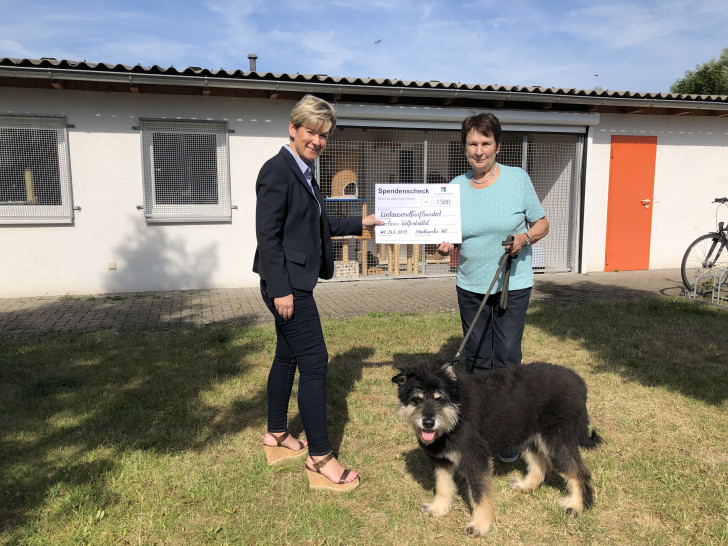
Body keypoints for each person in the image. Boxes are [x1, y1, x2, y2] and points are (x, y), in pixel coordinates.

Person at [253, 94, 383, 492]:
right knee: (315, 363)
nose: (317, 140)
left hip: (293, 281)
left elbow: (317, 221)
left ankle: (276, 435)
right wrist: (281, 291)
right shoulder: (276, 171)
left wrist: (362, 221)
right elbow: (268, 236)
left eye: (323, 134)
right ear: (293, 128)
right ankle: (320, 458)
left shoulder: (305, 169)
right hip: (287, 285)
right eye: (311, 131)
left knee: (287, 356)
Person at [437, 112, 549, 463]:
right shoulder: (455, 187)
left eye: (486, 143)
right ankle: (480, 427)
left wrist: (525, 236)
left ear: (497, 146)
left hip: (511, 285)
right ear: (465, 147)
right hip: (470, 285)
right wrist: (445, 244)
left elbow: (542, 222)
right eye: (473, 143)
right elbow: (451, 234)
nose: (479, 150)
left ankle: (511, 432)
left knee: (507, 358)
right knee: (475, 360)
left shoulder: (517, 179)